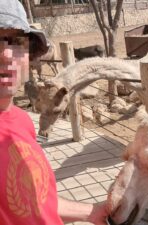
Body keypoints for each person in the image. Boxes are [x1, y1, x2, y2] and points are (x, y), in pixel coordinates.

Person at [0, 0, 108, 224]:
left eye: (17, 42)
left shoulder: (22, 121)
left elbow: (36, 201)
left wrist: (93, 212)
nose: (7, 55)